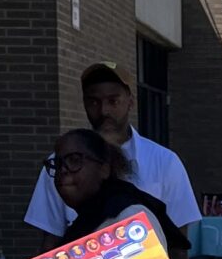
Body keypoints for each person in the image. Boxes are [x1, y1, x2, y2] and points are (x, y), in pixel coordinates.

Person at [24, 63, 200, 247]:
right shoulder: (60, 165)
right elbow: (50, 239)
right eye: (93, 102)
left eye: (113, 101)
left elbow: (179, 243)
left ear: (130, 101)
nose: (104, 111)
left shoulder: (165, 163)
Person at [40, 126, 190, 259]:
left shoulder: (128, 218)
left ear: (104, 169)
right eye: (57, 164)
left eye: (74, 160)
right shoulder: (88, 219)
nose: (63, 171)